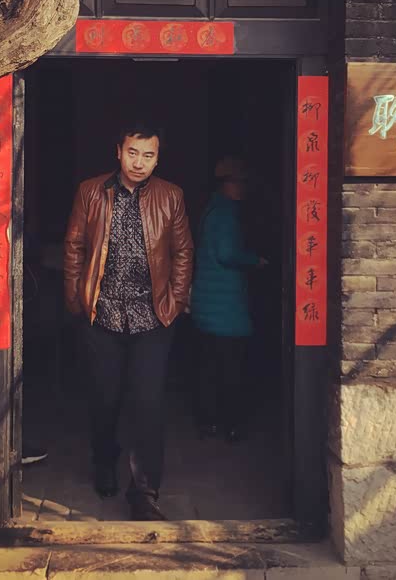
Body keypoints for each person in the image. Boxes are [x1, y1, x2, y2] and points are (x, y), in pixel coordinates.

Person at [63, 122, 193, 521]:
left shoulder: (171, 196)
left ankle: (145, 491)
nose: (139, 162)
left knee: (149, 404)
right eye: (133, 153)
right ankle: (104, 462)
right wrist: (77, 301)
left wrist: (175, 302)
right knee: (105, 399)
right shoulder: (91, 191)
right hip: (102, 316)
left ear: (157, 158)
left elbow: (183, 252)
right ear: (118, 152)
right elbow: (75, 246)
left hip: (152, 319)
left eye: (148, 155)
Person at [190, 156, 267, 443]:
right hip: (225, 309)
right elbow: (226, 253)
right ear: (227, 184)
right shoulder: (226, 213)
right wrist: (255, 260)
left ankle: (207, 422)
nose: (243, 188)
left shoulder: (211, 209)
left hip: (208, 305)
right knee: (231, 368)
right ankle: (231, 424)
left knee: (209, 366)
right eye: (239, 183)